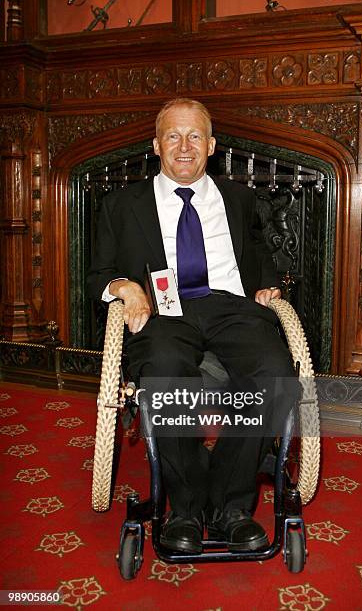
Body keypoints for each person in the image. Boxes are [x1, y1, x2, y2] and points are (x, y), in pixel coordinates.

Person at [87, 98, 299, 555]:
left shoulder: (240, 198)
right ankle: (184, 506)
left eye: (195, 136)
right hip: (164, 309)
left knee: (274, 368)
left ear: (212, 145)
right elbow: (96, 275)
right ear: (156, 145)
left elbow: (259, 251)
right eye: (173, 136)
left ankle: (230, 505)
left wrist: (265, 284)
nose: (184, 147)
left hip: (230, 306)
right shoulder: (121, 205)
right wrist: (124, 286)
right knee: (162, 366)